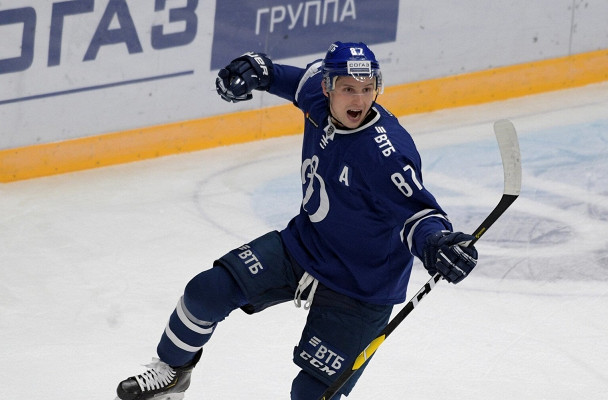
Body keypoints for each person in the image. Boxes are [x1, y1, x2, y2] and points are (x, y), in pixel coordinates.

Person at [114, 41, 478, 400]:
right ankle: (172, 375)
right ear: (328, 87)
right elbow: (289, 79)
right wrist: (260, 72)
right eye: (348, 89)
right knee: (205, 292)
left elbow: (419, 216)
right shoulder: (317, 96)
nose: (359, 100)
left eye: (367, 89)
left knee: (310, 393)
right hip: (304, 246)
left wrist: (436, 244)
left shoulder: (387, 153)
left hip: (361, 285)